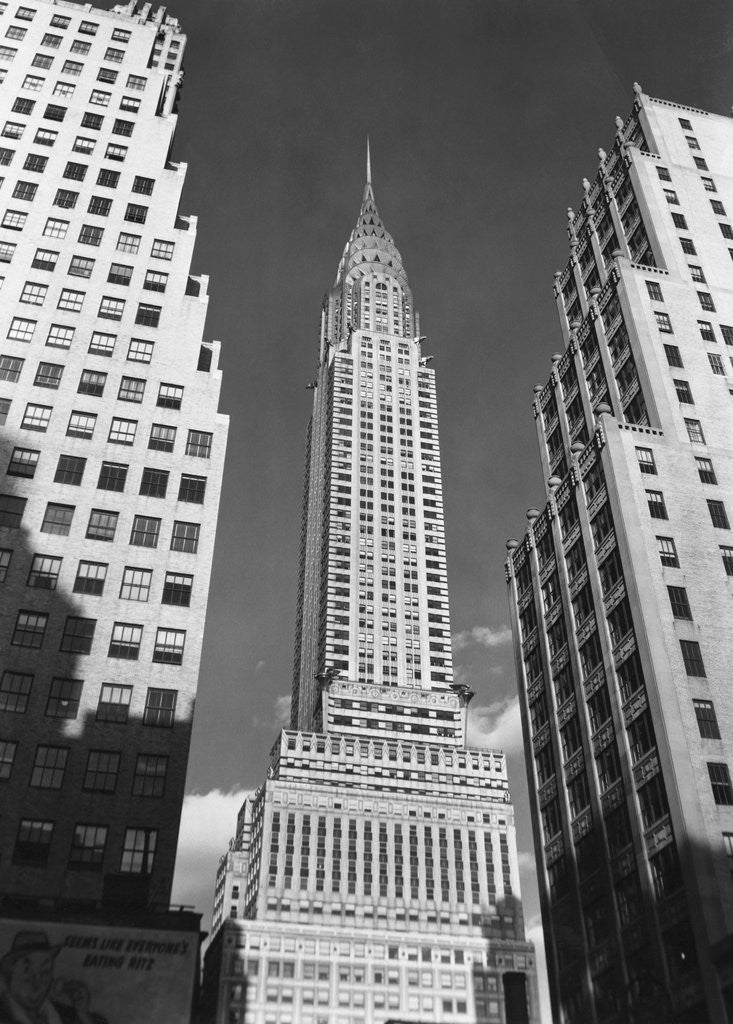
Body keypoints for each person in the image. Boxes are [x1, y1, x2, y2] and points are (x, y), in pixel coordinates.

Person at [0, 931, 106, 1024]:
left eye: (45, 972)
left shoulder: (67, 1015)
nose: (37, 982)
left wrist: (83, 1014)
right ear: (10, 972)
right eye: (27, 971)